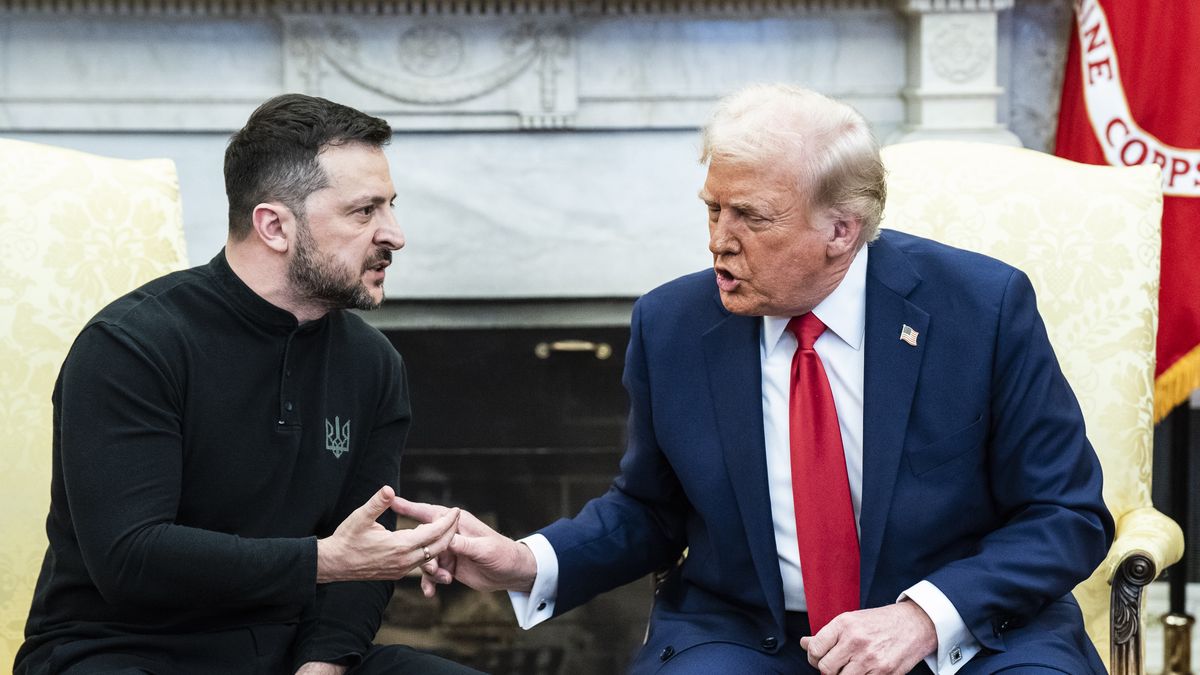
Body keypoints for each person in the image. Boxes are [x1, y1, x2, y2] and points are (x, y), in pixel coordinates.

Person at [396, 84, 1115, 674]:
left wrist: (923, 616)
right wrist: (524, 561)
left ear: (842, 229)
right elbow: (649, 510)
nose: (718, 239)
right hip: (751, 635)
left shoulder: (980, 308)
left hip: (965, 631)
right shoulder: (674, 323)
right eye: (713, 207)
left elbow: (1066, 514)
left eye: (750, 216)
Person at [15, 94, 480, 675]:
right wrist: (320, 561)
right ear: (274, 226)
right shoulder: (132, 345)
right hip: (119, 652)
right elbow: (131, 559)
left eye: (390, 206)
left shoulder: (373, 363)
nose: (395, 234)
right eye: (365, 212)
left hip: (285, 656)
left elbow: (362, 559)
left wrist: (323, 664)